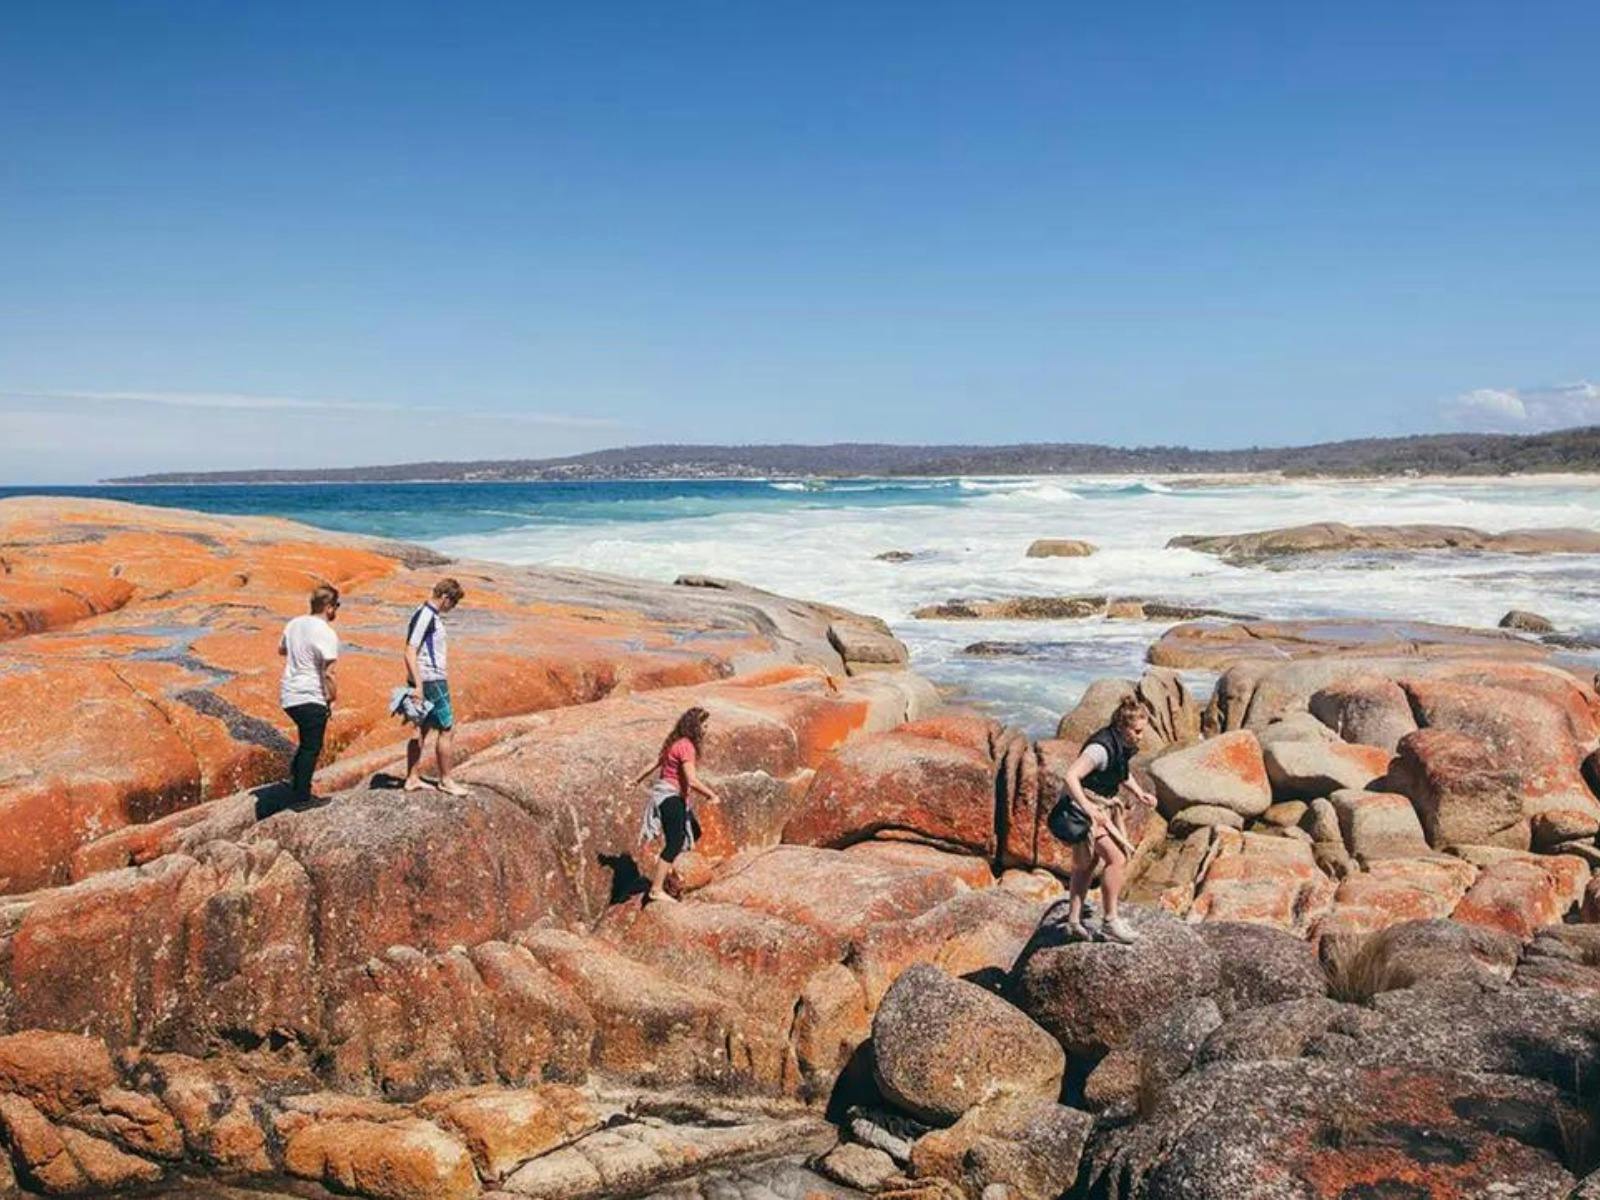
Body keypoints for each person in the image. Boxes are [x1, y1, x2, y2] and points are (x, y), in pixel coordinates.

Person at [1048, 695, 1157, 944]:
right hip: (1082, 809)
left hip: (1099, 808)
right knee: (1116, 858)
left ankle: (1074, 921)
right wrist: (1089, 809)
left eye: (1143, 732)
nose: (1141, 736)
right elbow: (1071, 776)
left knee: (1087, 865)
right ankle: (1110, 921)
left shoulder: (1120, 744)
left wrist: (1139, 792)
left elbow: (1121, 770)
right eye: (1138, 731)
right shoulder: (1099, 748)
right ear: (1122, 726)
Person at [632, 706, 723, 903]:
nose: (706, 729)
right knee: (674, 843)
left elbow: (654, 764)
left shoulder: (674, 743)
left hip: (666, 796)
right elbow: (691, 780)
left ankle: (670, 873)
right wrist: (711, 795)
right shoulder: (686, 746)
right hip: (670, 797)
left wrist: (635, 780)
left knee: (693, 832)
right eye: (704, 725)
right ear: (694, 727)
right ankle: (656, 889)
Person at [276, 583, 341, 812]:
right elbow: (329, 672)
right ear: (329, 607)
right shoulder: (326, 633)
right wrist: (332, 698)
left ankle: (295, 782)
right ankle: (302, 798)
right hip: (309, 694)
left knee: (306, 743)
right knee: (312, 747)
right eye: (337, 606)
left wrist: (299, 650)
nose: (336, 611)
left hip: (289, 694)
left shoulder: (293, 623)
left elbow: (282, 650)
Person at [403, 577, 468, 796]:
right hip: (431, 679)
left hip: (426, 678)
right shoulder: (426, 616)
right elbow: (410, 650)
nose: (453, 607)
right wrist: (418, 686)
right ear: (445, 597)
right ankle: (446, 780)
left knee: (421, 728)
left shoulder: (425, 614)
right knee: (447, 729)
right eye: (454, 603)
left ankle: (412, 778)